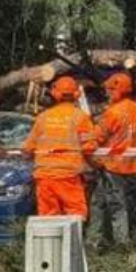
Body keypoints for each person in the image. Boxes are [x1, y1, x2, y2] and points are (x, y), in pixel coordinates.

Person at [22, 76, 98, 219]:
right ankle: (73, 242)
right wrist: (96, 165)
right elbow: (89, 147)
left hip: (44, 178)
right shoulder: (80, 117)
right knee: (75, 216)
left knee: (48, 219)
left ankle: (50, 242)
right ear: (76, 94)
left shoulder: (43, 117)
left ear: (55, 94)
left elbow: (28, 150)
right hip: (68, 176)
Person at [93, 72, 136, 245]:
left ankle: (121, 243)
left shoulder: (112, 113)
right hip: (135, 166)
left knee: (117, 206)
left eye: (110, 90)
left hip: (114, 167)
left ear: (117, 90)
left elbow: (99, 136)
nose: (108, 93)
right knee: (134, 204)